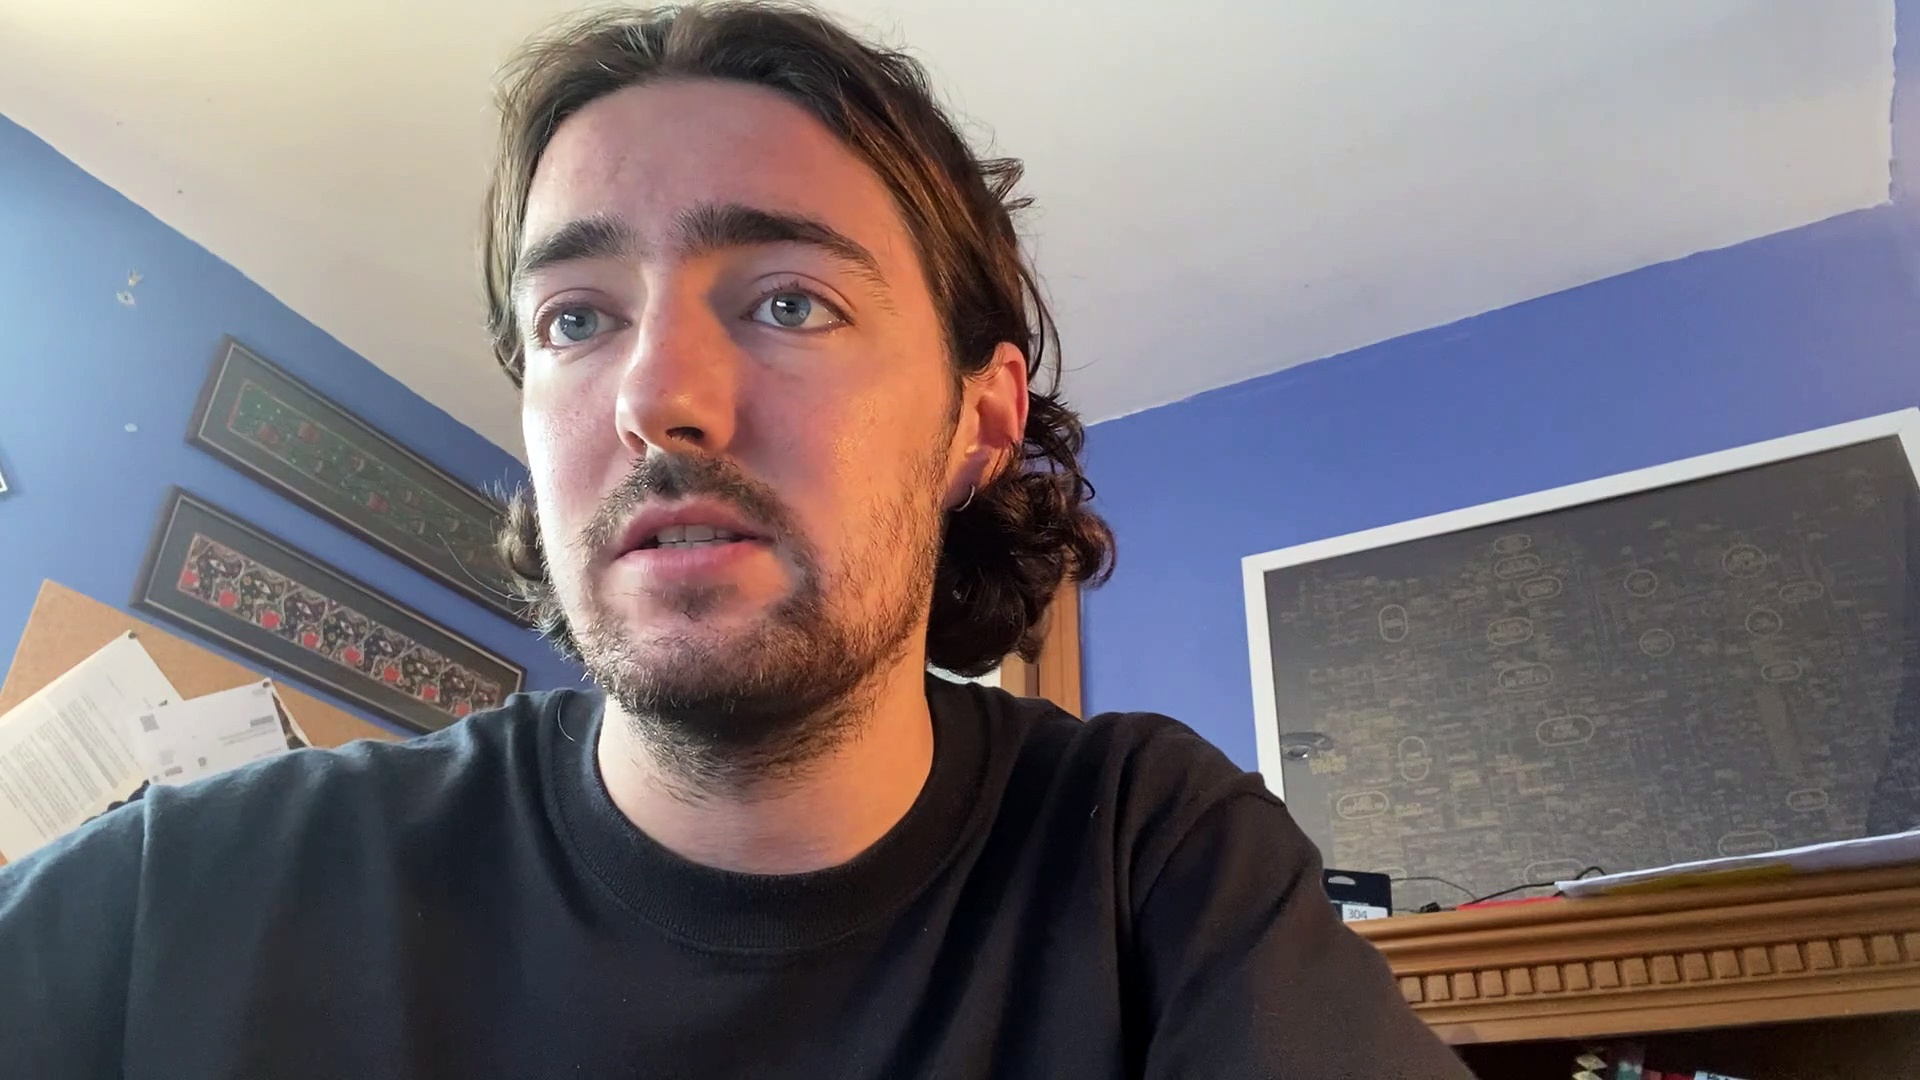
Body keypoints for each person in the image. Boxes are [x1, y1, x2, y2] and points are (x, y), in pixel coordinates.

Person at [0, 4, 1469, 1077]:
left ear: (978, 420)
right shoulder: (181, 902)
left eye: (788, 302)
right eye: (576, 319)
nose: (655, 398)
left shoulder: (1148, 863)